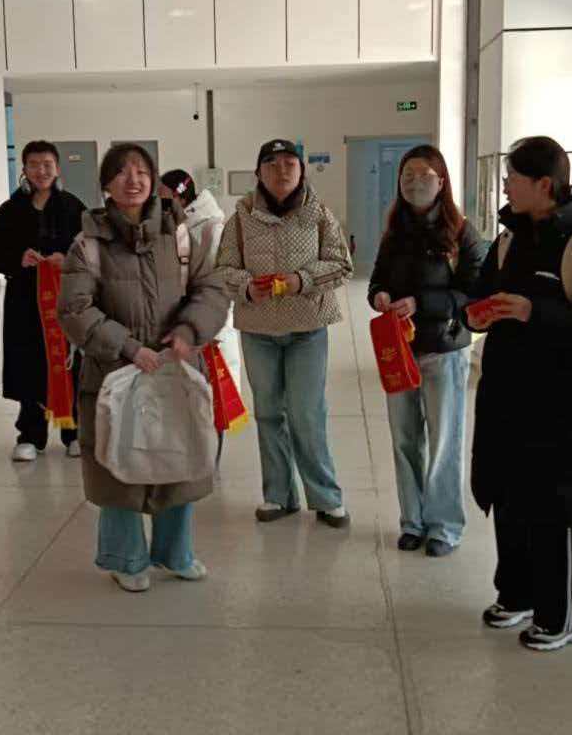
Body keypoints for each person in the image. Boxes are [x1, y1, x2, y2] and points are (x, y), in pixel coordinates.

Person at [468, 136, 572, 651]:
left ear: (544, 185)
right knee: (510, 494)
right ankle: (517, 593)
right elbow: (479, 294)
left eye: (513, 177)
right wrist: (476, 314)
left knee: (559, 504)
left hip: (561, 402)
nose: (505, 186)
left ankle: (568, 613)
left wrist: (536, 312)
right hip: (506, 394)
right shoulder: (508, 240)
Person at [58, 143, 228, 593]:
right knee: (118, 465)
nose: (132, 180)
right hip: (113, 371)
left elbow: (211, 289)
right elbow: (74, 309)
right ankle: (126, 558)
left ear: (153, 180)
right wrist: (129, 347)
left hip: (175, 367)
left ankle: (175, 553)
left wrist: (189, 330)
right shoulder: (87, 244)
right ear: (106, 184)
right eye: (121, 172)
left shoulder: (181, 234)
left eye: (141, 171)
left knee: (179, 457)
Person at [215, 139, 353, 527]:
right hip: (258, 331)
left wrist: (300, 280)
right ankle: (278, 495)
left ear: (302, 170)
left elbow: (342, 265)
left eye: (290, 163)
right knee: (269, 413)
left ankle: (326, 497)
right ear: (258, 172)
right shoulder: (240, 218)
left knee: (306, 414)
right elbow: (222, 270)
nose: (282, 171)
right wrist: (246, 286)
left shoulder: (319, 214)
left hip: (307, 329)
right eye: (272, 164)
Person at [368, 144, 488, 556]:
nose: (415, 183)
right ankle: (412, 521)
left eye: (424, 175)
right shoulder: (394, 232)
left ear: (442, 182)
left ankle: (444, 526)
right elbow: (377, 279)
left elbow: (473, 292)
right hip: (399, 351)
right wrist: (380, 295)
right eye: (408, 176)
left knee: (443, 442)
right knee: (404, 440)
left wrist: (421, 303)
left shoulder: (461, 232)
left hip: (444, 349)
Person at [0, 140, 86, 462]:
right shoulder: (10, 210)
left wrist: (67, 259)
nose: (41, 171)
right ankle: (30, 434)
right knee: (29, 364)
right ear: (24, 169)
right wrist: (18, 258)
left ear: (57, 168)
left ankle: (74, 432)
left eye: (47, 164)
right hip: (25, 303)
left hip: (66, 300)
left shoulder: (73, 207)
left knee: (70, 363)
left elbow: (92, 249)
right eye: (34, 165)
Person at [158, 169, 242, 382]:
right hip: (186, 320)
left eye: (163, 196)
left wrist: (212, 328)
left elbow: (219, 282)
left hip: (214, 322)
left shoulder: (212, 228)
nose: (158, 203)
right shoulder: (174, 227)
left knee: (223, 385)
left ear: (180, 197)